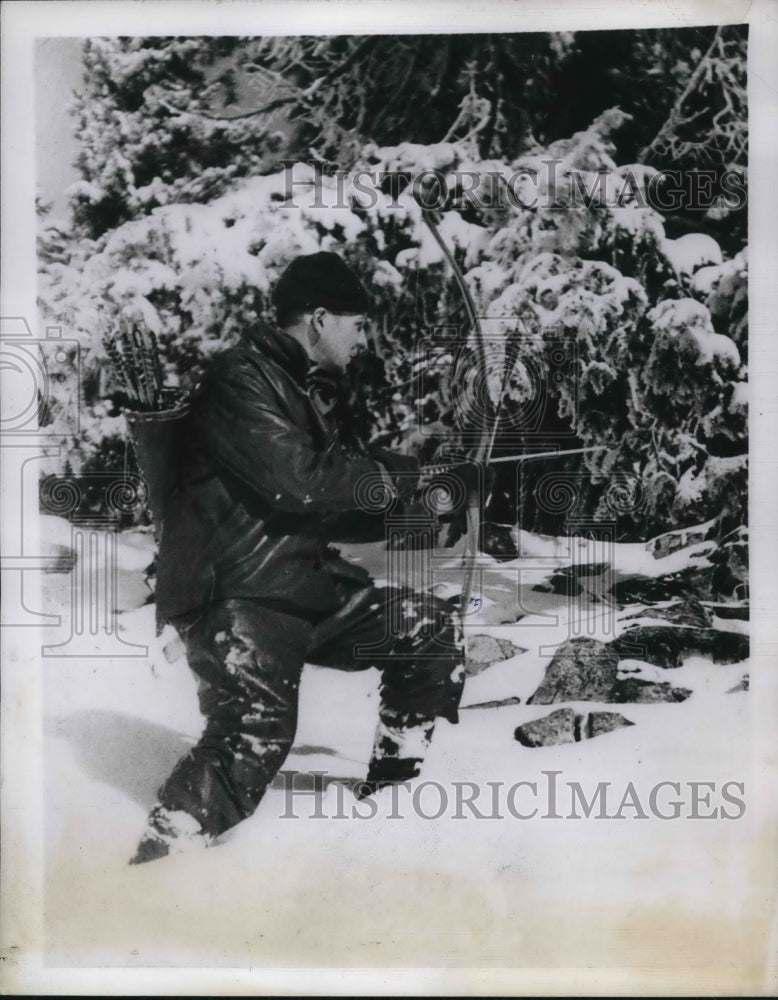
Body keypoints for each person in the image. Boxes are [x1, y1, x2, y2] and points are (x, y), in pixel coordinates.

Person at [130, 251, 473, 864]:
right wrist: (401, 473)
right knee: (252, 737)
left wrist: (428, 499)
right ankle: (156, 862)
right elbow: (301, 480)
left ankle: (389, 801)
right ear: (318, 318)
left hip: (301, 586)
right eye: (358, 324)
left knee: (428, 635)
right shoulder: (240, 379)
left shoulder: (299, 389)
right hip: (239, 595)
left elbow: (330, 507)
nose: (364, 339)